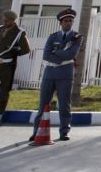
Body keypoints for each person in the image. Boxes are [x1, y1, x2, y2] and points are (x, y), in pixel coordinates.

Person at [29, 8, 83, 142]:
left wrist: (55, 52)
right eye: (65, 21)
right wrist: (59, 56)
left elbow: (71, 54)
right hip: (50, 72)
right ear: (60, 22)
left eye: (70, 21)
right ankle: (36, 131)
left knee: (64, 104)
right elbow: (46, 55)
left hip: (65, 73)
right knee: (43, 104)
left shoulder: (77, 37)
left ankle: (64, 131)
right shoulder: (53, 36)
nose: (68, 23)